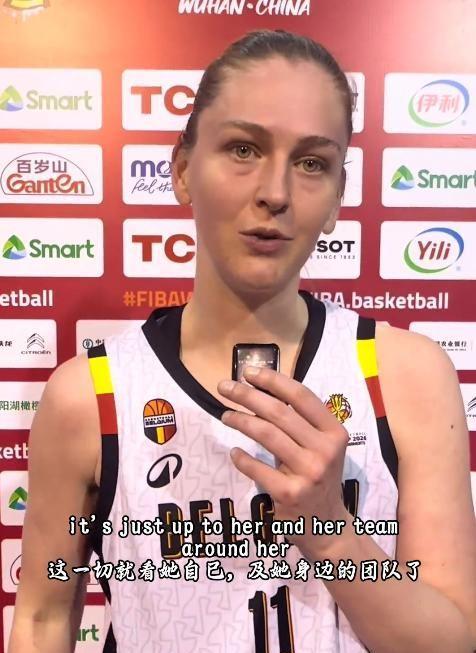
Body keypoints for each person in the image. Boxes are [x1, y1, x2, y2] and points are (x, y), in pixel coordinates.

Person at [8, 29, 476, 653]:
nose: (275, 193)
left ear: (338, 197)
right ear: (182, 171)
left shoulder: (406, 375)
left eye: (312, 163)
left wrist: (330, 531)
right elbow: (41, 619)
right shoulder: (89, 395)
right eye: (243, 149)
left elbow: (453, 639)